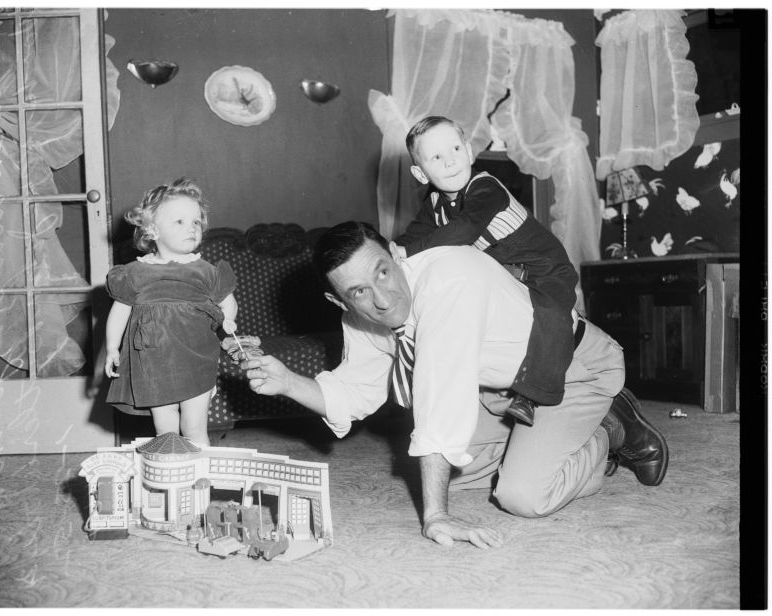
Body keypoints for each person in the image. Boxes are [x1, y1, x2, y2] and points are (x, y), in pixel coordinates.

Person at [241, 221, 669, 548]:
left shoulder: (450, 281)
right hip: (502, 390)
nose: (383, 299)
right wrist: (287, 382)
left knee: (523, 495)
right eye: (359, 292)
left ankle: (611, 426)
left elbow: (439, 396)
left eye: (383, 273)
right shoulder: (361, 316)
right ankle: (549, 445)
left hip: (570, 369)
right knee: (456, 475)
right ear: (340, 300)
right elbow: (355, 392)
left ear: (394, 253)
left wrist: (435, 516)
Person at [394, 116, 579, 427]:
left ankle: (534, 393)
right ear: (420, 173)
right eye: (436, 157)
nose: (450, 160)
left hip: (544, 266)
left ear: (468, 151)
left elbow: (464, 231)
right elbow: (414, 237)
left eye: (454, 148)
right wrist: (392, 252)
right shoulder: (435, 202)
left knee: (551, 310)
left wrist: (407, 252)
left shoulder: (486, 187)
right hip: (504, 272)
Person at [104, 178, 238, 447]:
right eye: (179, 222)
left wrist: (230, 319)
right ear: (152, 230)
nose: (191, 228)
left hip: (196, 360)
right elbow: (119, 312)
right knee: (166, 432)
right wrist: (112, 348)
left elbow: (227, 301)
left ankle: (201, 479)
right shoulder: (135, 273)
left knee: (194, 427)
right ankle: (172, 481)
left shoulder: (205, 270)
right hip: (153, 364)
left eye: (196, 222)